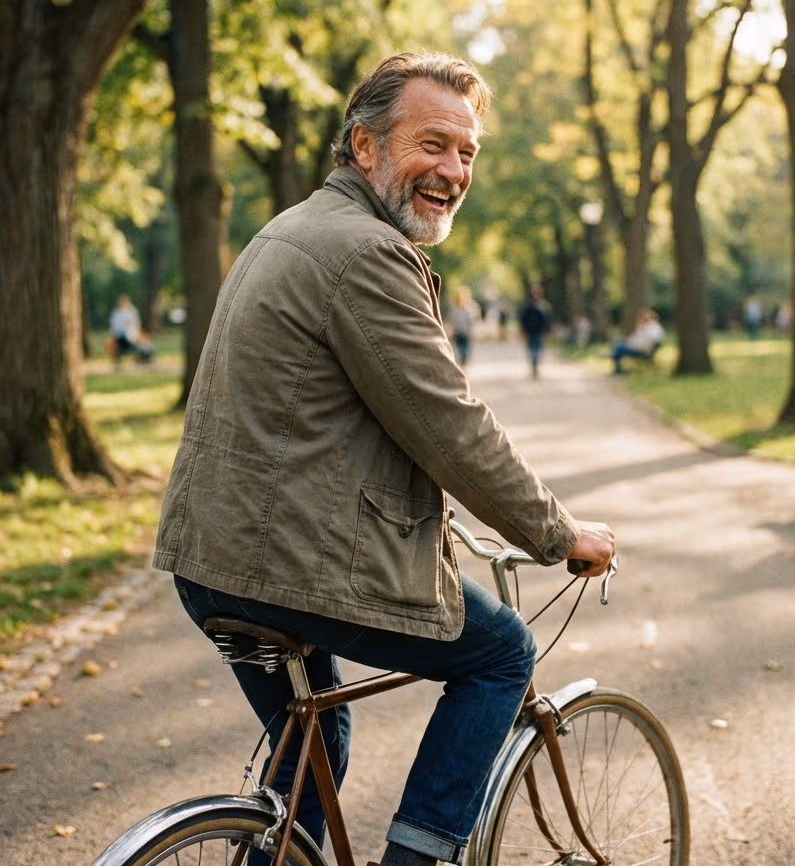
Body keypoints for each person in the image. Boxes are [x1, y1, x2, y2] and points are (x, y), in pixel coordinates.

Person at [153, 52, 616, 866]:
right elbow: (448, 424)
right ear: (364, 148)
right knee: (502, 652)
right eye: (432, 143)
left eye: (467, 152)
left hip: (213, 557)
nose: (453, 169)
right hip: (287, 561)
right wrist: (558, 531)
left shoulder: (291, 227)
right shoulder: (367, 252)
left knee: (318, 734)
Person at [611, 309, 664, 374]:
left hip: (642, 351)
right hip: (640, 349)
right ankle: (618, 368)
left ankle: (618, 369)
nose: (643, 319)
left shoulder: (652, 328)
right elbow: (637, 339)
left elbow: (644, 342)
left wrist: (638, 331)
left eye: (645, 317)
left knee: (618, 347)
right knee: (618, 344)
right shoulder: (651, 327)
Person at [108, 294, 153, 364]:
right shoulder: (116, 313)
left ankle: (144, 358)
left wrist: (137, 332)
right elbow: (113, 327)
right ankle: (117, 359)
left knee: (144, 341)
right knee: (112, 344)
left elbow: (136, 324)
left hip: (130, 334)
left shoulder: (131, 311)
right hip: (122, 335)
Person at [518, 284, 551, 379]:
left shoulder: (544, 306)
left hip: (539, 332)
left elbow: (547, 320)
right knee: (532, 350)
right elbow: (523, 319)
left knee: (538, 350)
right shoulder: (528, 306)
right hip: (530, 332)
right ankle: (533, 368)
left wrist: (547, 330)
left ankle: (536, 367)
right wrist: (523, 330)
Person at [448, 285, 480, 366]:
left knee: (464, 348)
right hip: (459, 332)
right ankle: (463, 361)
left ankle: (463, 362)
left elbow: (471, 321)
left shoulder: (465, 309)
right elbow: (452, 321)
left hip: (464, 332)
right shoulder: (457, 309)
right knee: (461, 348)